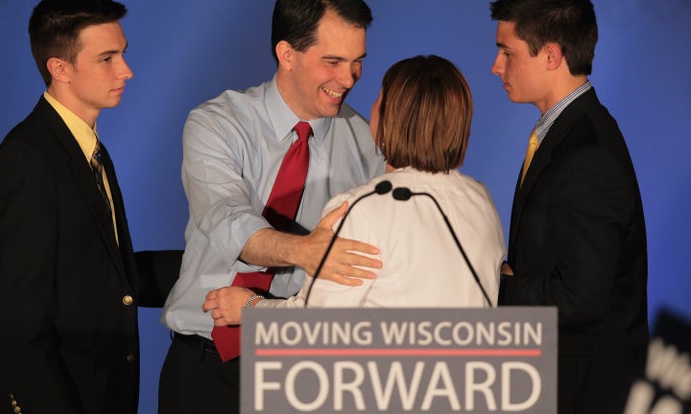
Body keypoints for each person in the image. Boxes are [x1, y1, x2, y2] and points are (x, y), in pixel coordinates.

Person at [158, 0, 386, 413]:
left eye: (357, 62)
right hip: (206, 368)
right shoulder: (216, 124)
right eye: (333, 61)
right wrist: (308, 252)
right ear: (287, 55)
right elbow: (228, 222)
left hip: (305, 372)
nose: (349, 79)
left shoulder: (369, 141)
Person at [203, 55, 505, 317]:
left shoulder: (358, 208)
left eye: (379, 97)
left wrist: (250, 308)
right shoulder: (480, 200)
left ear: (391, 117)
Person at [490, 0, 648, 413]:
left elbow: (581, 297)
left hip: (579, 391)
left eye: (508, 52)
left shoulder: (588, 153)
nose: (496, 67)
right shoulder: (568, 133)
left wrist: (496, 287)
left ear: (552, 55)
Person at [0, 0, 139, 413]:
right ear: (59, 68)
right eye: (108, 58)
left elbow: (101, 274)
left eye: (122, 54)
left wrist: (222, 264)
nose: (127, 70)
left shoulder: (84, 149)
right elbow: (17, 325)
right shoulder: (27, 161)